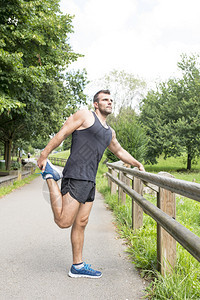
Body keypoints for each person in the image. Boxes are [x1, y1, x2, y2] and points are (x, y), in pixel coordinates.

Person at [37, 89, 145, 279]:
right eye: (105, 99)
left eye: (111, 100)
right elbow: (62, 133)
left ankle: (77, 266)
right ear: (96, 104)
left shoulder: (109, 132)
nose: (109, 102)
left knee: (81, 222)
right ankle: (50, 176)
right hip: (76, 175)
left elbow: (119, 151)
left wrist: (137, 163)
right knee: (64, 221)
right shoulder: (85, 116)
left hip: (89, 179)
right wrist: (44, 154)